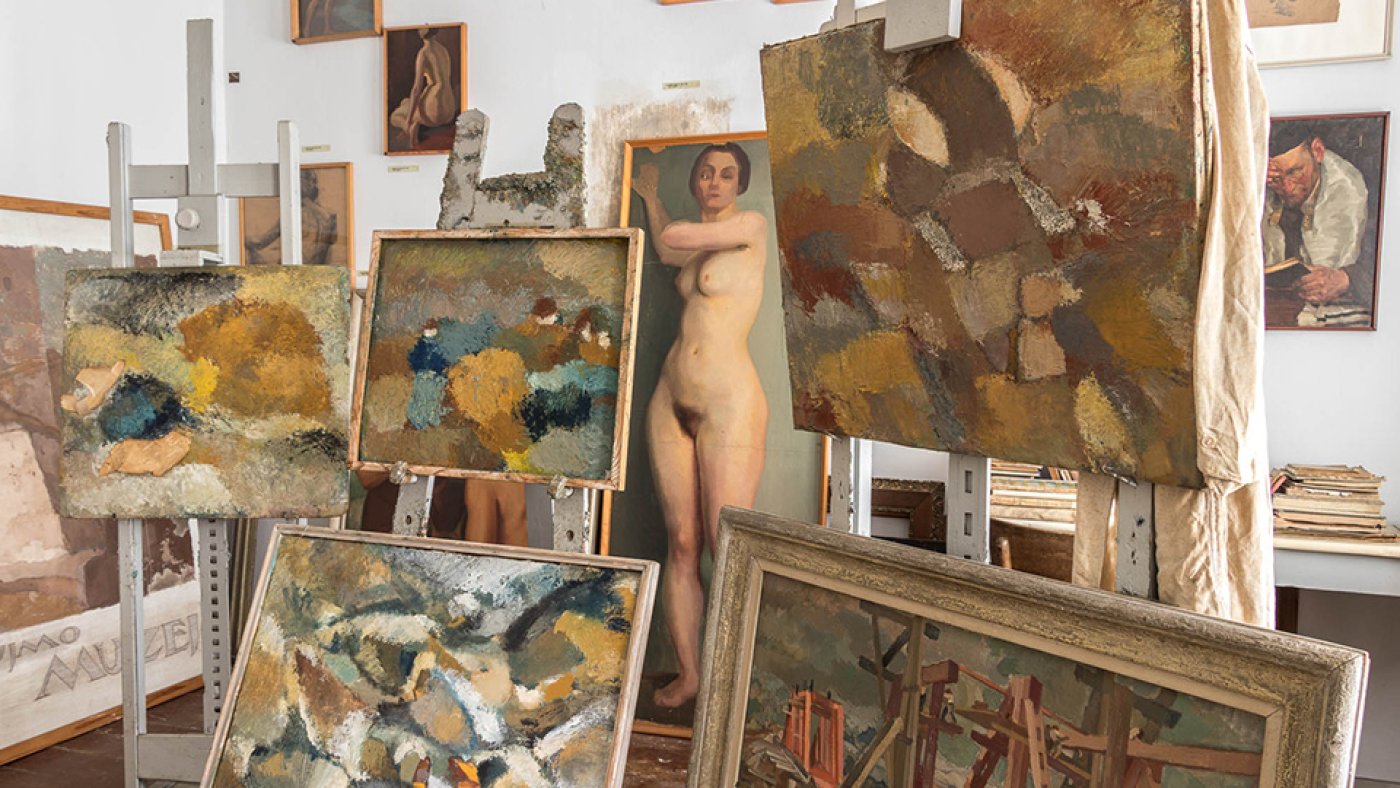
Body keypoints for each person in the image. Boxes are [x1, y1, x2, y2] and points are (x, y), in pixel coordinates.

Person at [631, 143, 769, 708]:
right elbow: (669, 249)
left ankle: (728, 684)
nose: (714, 183)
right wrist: (648, 199)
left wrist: (665, 219)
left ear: (740, 185)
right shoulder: (697, 246)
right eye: (706, 173)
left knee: (724, 544)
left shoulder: (751, 228)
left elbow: (675, 238)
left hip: (728, 403)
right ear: (695, 181)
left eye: (726, 175)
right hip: (670, 397)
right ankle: (690, 675)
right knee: (683, 542)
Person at [1262, 126, 1373, 324]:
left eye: (1295, 172)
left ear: (1318, 151)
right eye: (1275, 179)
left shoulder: (1354, 190)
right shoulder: (1259, 192)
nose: (1287, 188)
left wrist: (1345, 279)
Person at [243, 169, 338, 265]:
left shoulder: (293, 215)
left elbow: (260, 242)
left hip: (294, 269)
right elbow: (328, 253)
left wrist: (243, 239)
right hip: (317, 270)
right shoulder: (330, 215)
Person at [389, 28, 457, 149]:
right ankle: (414, 125)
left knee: (395, 117)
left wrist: (408, 121)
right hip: (449, 109)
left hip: (435, 109)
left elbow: (416, 89)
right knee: (405, 102)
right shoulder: (443, 49)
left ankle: (409, 128)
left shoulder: (424, 53)